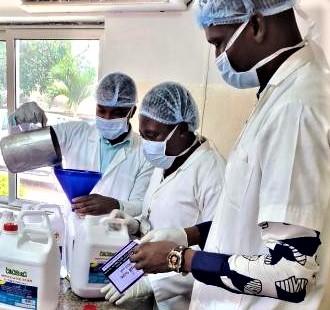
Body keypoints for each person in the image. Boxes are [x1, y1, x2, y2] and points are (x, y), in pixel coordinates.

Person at [129, 1, 330, 309]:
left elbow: (291, 272)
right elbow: (250, 222)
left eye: (219, 42)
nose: (218, 58)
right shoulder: (280, 92)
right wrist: (187, 234)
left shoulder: (296, 109)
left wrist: (179, 258)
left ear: (256, 26)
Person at [101, 82, 226, 309]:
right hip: (147, 288)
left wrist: (154, 285)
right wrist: (136, 225)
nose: (147, 144)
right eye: (143, 135)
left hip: (181, 300)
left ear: (181, 130)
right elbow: (160, 217)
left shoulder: (212, 172)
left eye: (153, 135)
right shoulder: (166, 158)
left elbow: (216, 254)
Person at [9, 72, 153, 217]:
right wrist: (22, 122)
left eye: (116, 113)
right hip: (73, 231)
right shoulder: (76, 132)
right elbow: (29, 149)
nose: (107, 118)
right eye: (101, 110)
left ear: (132, 111)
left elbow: (141, 205)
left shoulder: (145, 152)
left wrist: (115, 205)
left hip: (115, 235)